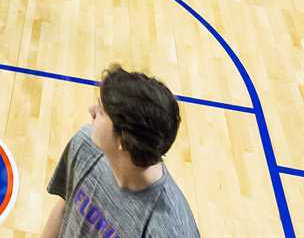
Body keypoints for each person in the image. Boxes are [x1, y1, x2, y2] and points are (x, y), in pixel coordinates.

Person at [39, 66, 198, 238]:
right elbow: (64, 208)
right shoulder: (85, 145)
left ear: (123, 140)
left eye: (101, 111)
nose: (91, 111)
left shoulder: (167, 229)